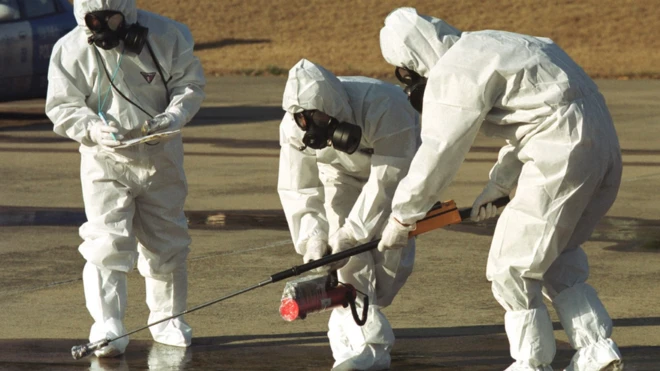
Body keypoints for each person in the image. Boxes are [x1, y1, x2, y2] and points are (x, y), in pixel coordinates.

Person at [377, 7, 623, 371]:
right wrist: (499, 184)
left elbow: (440, 151)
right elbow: (540, 114)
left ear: (410, 61)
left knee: (510, 267)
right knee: (557, 255)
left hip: (561, 153)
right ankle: (597, 351)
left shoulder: (454, 67)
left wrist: (402, 216)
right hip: (601, 148)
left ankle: (531, 362)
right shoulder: (495, 42)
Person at [45, 0, 205, 357]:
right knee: (107, 242)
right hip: (105, 161)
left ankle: (167, 319)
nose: (103, 27)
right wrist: (90, 128)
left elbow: (189, 84)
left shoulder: (167, 35)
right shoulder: (70, 50)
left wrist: (173, 116)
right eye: (94, 21)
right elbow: (62, 104)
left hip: (160, 156)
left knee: (167, 240)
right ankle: (107, 326)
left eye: (110, 18)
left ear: (127, 13)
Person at [278, 58, 420, 370]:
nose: (310, 124)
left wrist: (352, 235)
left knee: (389, 268)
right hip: (339, 176)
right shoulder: (292, 128)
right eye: (305, 119)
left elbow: (388, 178)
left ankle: (354, 333)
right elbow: (297, 187)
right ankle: (369, 350)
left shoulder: (386, 105)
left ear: (336, 108)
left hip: (397, 174)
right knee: (348, 265)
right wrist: (313, 237)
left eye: (319, 116)